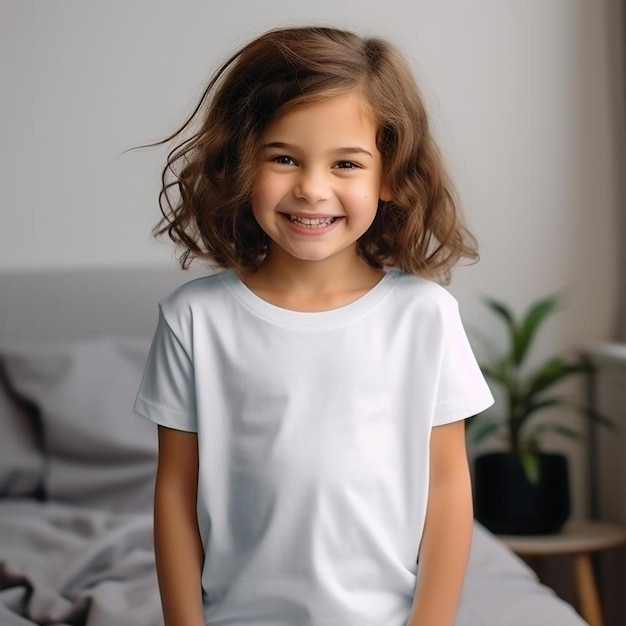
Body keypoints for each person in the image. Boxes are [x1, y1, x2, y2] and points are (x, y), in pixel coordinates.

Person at [134, 25, 494, 626]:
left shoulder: (425, 318)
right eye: (283, 158)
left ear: (389, 176)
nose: (312, 189)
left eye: (346, 163)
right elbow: (174, 491)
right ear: (242, 163)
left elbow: (449, 487)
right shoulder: (193, 320)